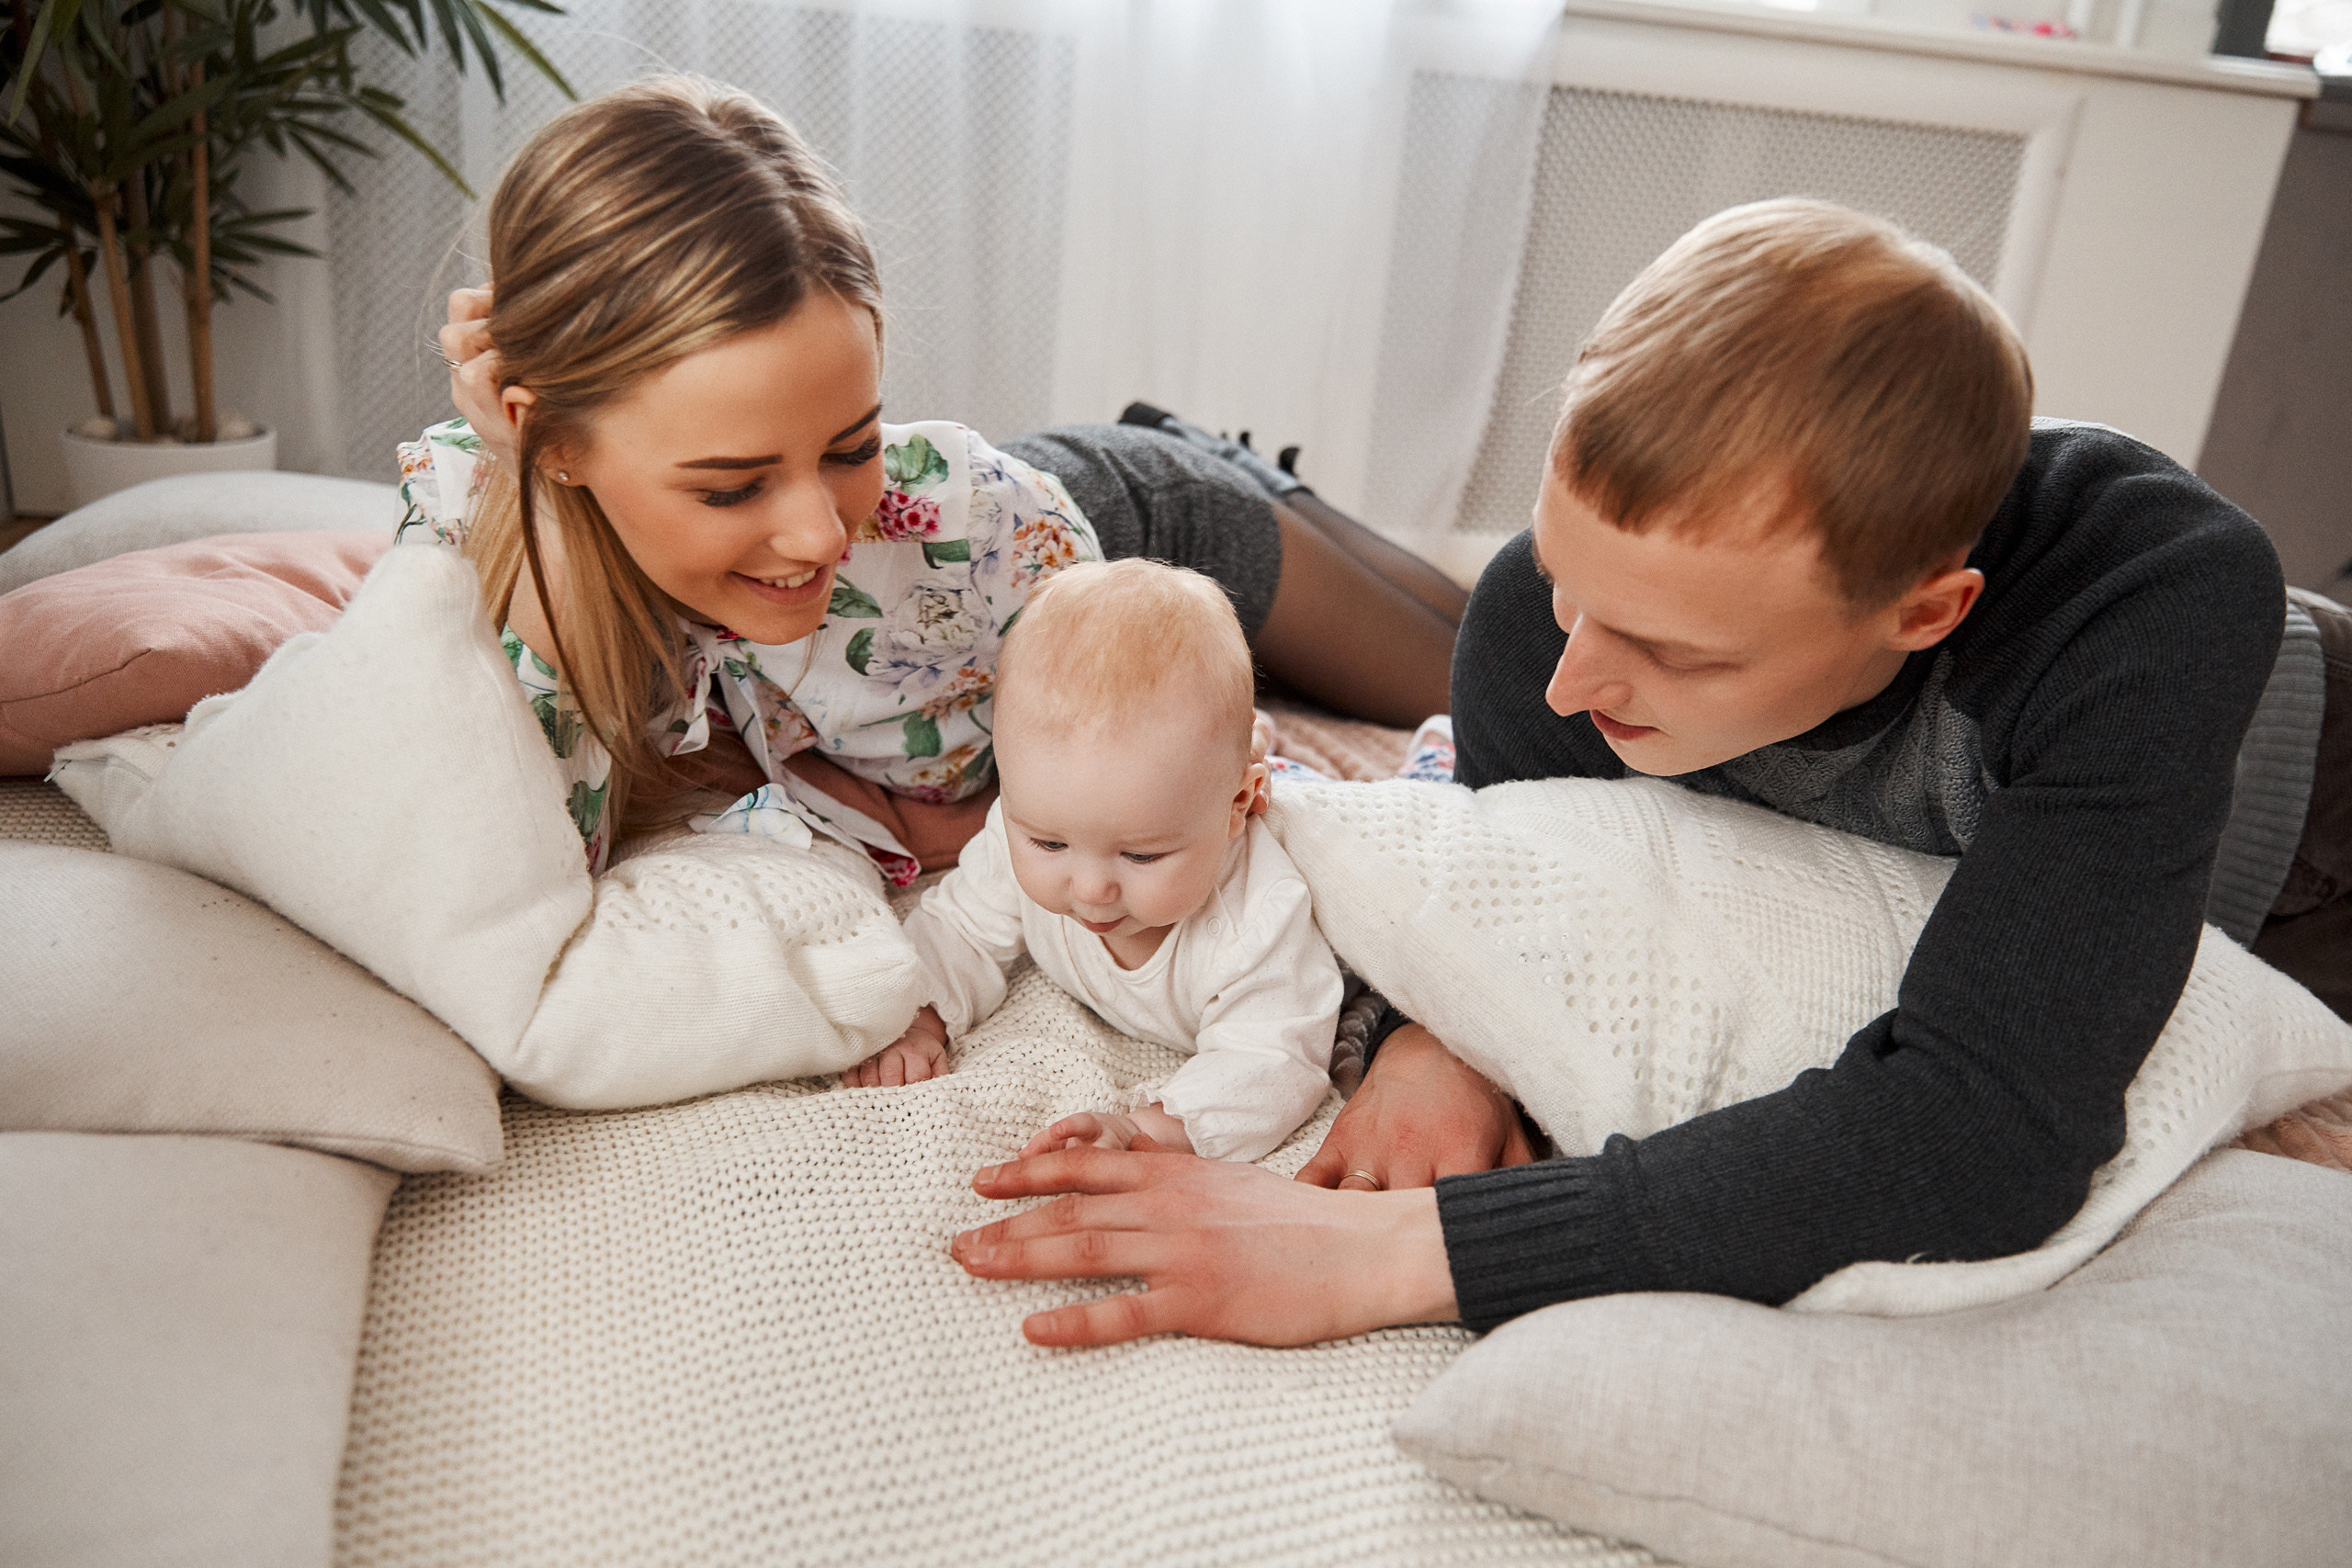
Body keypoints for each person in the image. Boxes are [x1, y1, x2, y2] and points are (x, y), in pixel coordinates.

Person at [951, 197, 2351, 1348]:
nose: (1569, 685)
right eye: (1571, 586)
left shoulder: (2145, 603)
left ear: (1924, 611)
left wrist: (1408, 1252)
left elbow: (1986, 1128)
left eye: (1676, 653)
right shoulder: (1532, 631)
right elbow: (1524, 864)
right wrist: (1448, 1034)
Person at [410, 75, 1468, 886]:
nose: (821, 536)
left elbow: (1169, 795)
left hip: (1143, 526)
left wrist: (962, 832)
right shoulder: (472, 523)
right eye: (732, 487)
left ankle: (1222, 461)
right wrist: (539, 497)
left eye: (850, 445)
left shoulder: (979, 514)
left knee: (1508, 677)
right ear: (544, 440)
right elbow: (524, 868)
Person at [846, 559, 1344, 1168]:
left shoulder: (1261, 914)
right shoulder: (1020, 830)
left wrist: (1149, 1130)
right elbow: (957, 928)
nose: (1090, 887)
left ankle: (1271, 754)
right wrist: (921, 1017)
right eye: (1049, 844)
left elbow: (1275, 1059)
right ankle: (1255, 740)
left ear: (1239, 805)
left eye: (1141, 854)